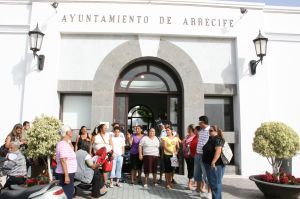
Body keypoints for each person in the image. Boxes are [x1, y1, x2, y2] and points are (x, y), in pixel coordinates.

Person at [203, 125, 225, 199]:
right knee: (213, 184)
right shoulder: (211, 138)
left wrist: (213, 162)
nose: (209, 132)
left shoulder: (218, 139)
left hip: (215, 165)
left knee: (215, 185)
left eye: (211, 130)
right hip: (208, 164)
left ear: (216, 131)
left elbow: (218, 151)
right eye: (209, 130)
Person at [55, 125, 77, 199]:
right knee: (67, 195)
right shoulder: (63, 144)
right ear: (67, 132)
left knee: (68, 194)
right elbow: (63, 160)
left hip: (67, 172)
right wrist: (66, 176)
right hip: (65, 173)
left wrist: (69, 141)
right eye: (71, 130)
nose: (72, 132)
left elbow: (72, 148)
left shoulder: (66, 143)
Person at [191, 115, 210, 196]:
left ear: (203, 122)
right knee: (197, 174)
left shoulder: (210, 130)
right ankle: (197, 190)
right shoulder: (201, 131)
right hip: (197, 155)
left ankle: (209, 193)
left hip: (205, 156)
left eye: (199, 122)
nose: (199, 123)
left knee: (207, 175)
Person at [182, 124, 198, 190]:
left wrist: (188, 145)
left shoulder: (195, 136)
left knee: (192, 168)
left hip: (192, 155)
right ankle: (192, 182)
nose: (187, 129)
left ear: (191, 129)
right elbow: (182, 142)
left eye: (188, 128)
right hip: (186, 155)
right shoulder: (187, 136)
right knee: (190, 168)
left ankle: (191, 183)